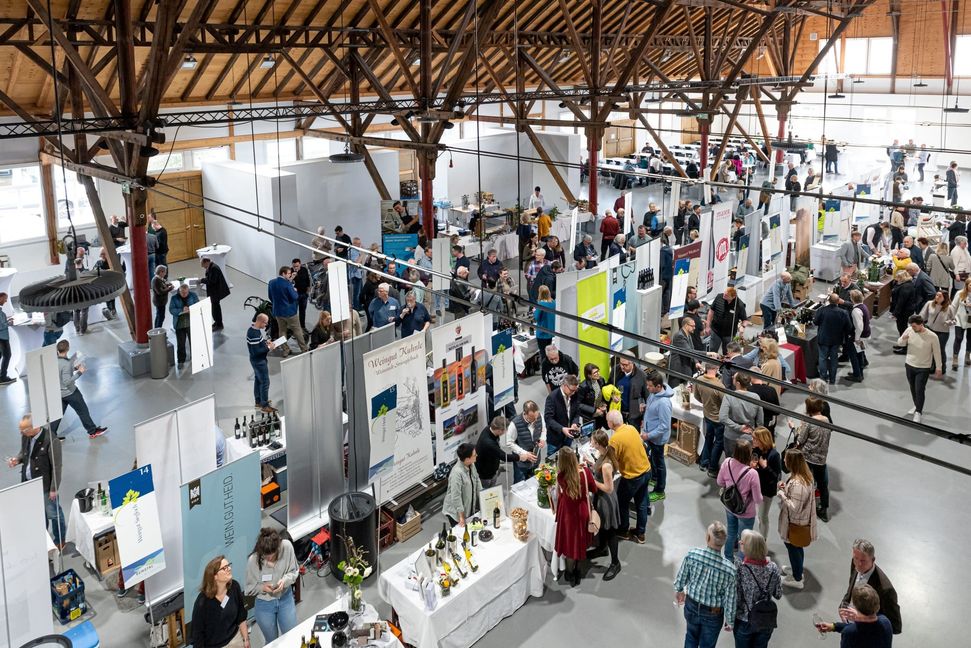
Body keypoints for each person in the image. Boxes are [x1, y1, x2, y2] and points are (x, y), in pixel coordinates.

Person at [673, 521, 737, 648]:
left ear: (708, 537)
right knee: (707, 644)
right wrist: (729, 620)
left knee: (691, 636)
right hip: (713, 614)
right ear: (724, 542)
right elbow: (730, 599)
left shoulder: (693, 555)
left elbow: (681, 578)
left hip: (691, 605)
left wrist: (679, 591)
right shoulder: (730, 570)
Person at [8, 414, 66, 548]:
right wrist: (17, 459)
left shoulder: (51, 440)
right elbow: (24, 453)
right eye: (20, 429)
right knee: (39, 514)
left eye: (24, 429)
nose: (21, 432)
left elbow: (57, 467)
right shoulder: (26, 436)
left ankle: (60, 540)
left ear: (35, 427)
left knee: (54, 514)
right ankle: (44, 542)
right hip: (29, 484)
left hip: (45, 486)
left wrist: (53, 489)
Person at [837, 539, 902, 635]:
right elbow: (851, 589)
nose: (858, 564)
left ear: (873, 560)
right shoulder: (856, 564)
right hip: (851, 627)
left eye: (863, 561)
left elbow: (895, 627)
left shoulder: (885, 590)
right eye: (855, 558)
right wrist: (842, 606)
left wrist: (862, 618)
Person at [605, 410, 651, 544]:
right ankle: (640, 533)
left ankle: (624, 530)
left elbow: (612, 462)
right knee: (641, 503)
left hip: (633, 477)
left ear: (611, 423)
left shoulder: (614, 439)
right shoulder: (631, 428)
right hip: (646, 470)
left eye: (607, 420)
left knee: (622, 502)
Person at [244, 528, 298, 643]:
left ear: (278, 547)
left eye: (273, 555)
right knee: (272, 641)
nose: (270, 559)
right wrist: (262, 588)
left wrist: (284, 581)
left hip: (285, 599)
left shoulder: (287, 547)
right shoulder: (253, 561)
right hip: (264, 605)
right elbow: (249, 589)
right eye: (266, 556)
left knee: (292, 635)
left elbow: (293, 572)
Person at [732, 529, 783, 646]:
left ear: (749, 548)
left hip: (745, 620)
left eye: (742, 542)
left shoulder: (741, 569)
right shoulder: (773, 568)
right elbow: (778, 594)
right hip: (766, 619)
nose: (739, 542)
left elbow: (736, 598)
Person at [553, 448, 595, 587]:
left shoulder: (561, 476)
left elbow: (561, 493)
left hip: (568, 513)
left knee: (571, 542)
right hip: (582, 511)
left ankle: (570, 573)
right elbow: (593, 489)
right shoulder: (585, 473)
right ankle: (578, 569)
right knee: (580, 540)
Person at [776, 448, 816, 590]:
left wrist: (782, 494)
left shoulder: (799, 484)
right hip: (798, 521)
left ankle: (797, 578)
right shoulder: (802, 476)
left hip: (795, 522)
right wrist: (784, 487)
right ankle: (796, 569)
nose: (784, 460)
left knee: (793, 547)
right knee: (796, 546)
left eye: (786, 458)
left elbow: (795, 507)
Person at [49, 340, 107, 439]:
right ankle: (93, 431)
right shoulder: (66, 363)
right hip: (70, 393)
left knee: (57, 415)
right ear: (68, 348)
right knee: (83, 411)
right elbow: (67, 381)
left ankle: (50, 436)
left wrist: (73, 369)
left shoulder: (55, 361)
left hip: (59, 393)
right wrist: (80, 372)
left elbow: (61, 373)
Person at [584, 430, 622, 581]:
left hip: (606, 500)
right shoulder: (604, 453)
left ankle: (615, 563)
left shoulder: (606, 465)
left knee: (610, 530)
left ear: (597, 444)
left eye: (592, 441)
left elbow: (609, 488)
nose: (590, 442)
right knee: (604, 528)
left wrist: (592, 482)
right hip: (601, 498)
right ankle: (602, 548)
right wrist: (591, 464)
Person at [717, 440, 763, 562]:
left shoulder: (726, 463)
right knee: (745, 540)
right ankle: (742, 565)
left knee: (731, 533)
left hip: (730, 506)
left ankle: (728, 558)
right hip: (746, 512)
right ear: (749, 453)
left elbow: (719, 482)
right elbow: (758, 499)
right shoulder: (752, 473)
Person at [190, 556, 250, 648]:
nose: (229, 569)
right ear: (215, 576)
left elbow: (241, 615)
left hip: (235, 639)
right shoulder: (202, 602)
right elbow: (198, 634)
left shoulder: (234, 587)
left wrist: (246, 639)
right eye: (224, 568)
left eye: (229, 565)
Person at [791, 397, 832, 522]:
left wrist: (793, 429)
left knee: (805, 482)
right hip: (821, 458)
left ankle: (804, 507)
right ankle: (823, 509)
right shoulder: (827, 421)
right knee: (822, 485)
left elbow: (800, 440)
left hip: (808, 458)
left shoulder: (809, 422)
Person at [897, 314, 942, 423]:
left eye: (914, 326)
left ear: (921, 325)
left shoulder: (932, 336)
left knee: (919, 389)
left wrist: (939, 367)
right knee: (912, 388)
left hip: (923, 367)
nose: (912, 328)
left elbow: (937, 352)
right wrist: (903, 338)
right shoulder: (909, 330)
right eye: (911, 326)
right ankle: (917, 405)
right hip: (909, 364)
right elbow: (900, 343)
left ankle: (918, 412)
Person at [817, 584, 894, 646]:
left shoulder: (849, 634)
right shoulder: (886, 622)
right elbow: (867, 628)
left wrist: (859, 619)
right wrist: (834, 626)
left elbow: (857, 630)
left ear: (855, 606)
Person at [643, 372, 673, 503]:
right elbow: (652, 409)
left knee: (660, 464)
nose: (647, 388)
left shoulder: (664, 403)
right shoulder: (654, 394)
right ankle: (654, 477)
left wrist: (647, 435)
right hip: (650, 436)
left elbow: (664, 427)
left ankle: (660, 491)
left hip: (657, 439)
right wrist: (645, 408)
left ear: (659, 386)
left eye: (650, 386)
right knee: (653, 460)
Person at [719, 373, 762, 458]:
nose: (732, 378)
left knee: (730, 462)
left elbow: (722, 418)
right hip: (748, 436)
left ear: (738, 383)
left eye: (734, 378)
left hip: (731, 436)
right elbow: (760, 421)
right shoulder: (756, 397)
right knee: (745, 461)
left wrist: (738, 427)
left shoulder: (729, 396)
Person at [750, 426, 782, 541]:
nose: (752, 441)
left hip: (766, 491)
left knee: (763, 516)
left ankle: (762, 540)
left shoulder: (774, 455)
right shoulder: (756, 450)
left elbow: (777, 476)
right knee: (758, 515)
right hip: (756, 486)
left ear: (762, 440)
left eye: (755, 439)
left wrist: (765, 466)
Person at [268, 267, 308, 356]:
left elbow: (270, 297)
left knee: (282, 331)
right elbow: (295, 297)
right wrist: (295, 290)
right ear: (283, 274)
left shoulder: (271, 282)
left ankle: (285, 349)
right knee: (297, 331)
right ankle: (304, 349)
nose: (290, 275)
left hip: (278, 312)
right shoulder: (287, 284)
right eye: (289, 273)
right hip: (290, 312)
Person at [694, 361, 725, 475]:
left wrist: (706, 403)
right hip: (718, 419)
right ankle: (712, 468)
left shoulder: (699, 380)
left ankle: (703, 463)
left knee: (708, 438)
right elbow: (725, 404)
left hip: (707, 415)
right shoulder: (719, 386)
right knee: (718, 443)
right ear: (716, 368)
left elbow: (696, 396)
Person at [814, 293, 852, 385]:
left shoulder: (821, 310)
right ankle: (832, 379)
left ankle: (823, 378)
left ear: (829, 300)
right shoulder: (843, 313)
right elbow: (849, 327)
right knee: (834, 359)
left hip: (823, 339)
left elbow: (815, 322)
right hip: (836, 340)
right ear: (838, 301)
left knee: (822, 358)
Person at [505, 400, 546, 483]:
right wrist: (524, 453)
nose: (535, 420)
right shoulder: (514, 424)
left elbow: (543, 429)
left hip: (535, 460)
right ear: (525, 414)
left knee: (534, 482)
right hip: (521, 464)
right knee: (520, 484)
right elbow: (509, 442)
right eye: (532, 418)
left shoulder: (539, 416)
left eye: (536, 417)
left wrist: (543, 438)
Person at [442, 443, 482, 527]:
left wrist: (483, 496)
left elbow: (477, 479)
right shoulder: (456, 473)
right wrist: (461, 516)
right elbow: (456, 496)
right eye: (474, 455)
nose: (477, 455)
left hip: (467, 506)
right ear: (467, 459)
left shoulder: (471, 464)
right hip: (456, 512)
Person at [544, 374, 580, 454]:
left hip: (569, 437)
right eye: (571, 390)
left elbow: (577, 413)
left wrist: (574, 423)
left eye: (575, 390)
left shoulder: (574, 394)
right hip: (555, 439)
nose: (573, 393)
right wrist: (562, 429)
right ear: (564, 385)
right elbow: (548, 419)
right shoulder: (552, 397)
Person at [610, 353, 649, 429]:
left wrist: (644, 418)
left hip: (635, 416)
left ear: (632, 363)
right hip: (619, 414)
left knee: (633, 438)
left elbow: (648, 398)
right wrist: (612, 395)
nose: (622, 367)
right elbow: (609, 386)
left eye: (625, 365)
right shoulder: (615, 370)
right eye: (621, 363)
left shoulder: (642, 376)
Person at [706, 287, 748, 355]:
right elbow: (711, 311)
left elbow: (745, 320)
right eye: (724, 293)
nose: (724, 295)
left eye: (726, 295)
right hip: (716, 331)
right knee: (712, 350)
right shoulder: (719, 297)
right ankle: (711, 365)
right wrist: (707, 326)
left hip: (729, 334)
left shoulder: (739, 305)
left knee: (727, 353)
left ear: (733, 297)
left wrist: (742, 327)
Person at [247, 314, 276, 413]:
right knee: (265, 382)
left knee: (258, 380)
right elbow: (256, 351)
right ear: (260, 321)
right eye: (265, 323)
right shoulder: (254, 334)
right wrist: (269, 348)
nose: (266, 325)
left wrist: (265, 342)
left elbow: (257, 344)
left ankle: (258, 401)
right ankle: (265, 405)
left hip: (256, 361)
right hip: (259, 362)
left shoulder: (253, 330)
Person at [920, 291, 952, 374]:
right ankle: (932, 366)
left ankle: (942, 367)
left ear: (944, 298)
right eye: (937, 295)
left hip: (943, 332)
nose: (937, 297)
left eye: (940, 296)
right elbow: (922, 315)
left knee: (940, 350)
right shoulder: (929, 304)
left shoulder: (949, 308)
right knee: (930, 349)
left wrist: (949, 322)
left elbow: (954, 320)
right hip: (930, 330)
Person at [169, 283, 199, 365]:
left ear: (188, 291)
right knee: (181, 343)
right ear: (179, 291)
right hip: (179, 324)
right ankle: (181, 361)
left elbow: (198, 305)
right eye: (182, 293)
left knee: (193, 342)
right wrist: (181, 310)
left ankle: (195, 358)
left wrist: (191, 309)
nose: (184, 294)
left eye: (186, 293)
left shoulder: (193, 295)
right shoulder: (174, 298)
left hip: (191, 323)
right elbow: (171, 310)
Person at [200, 257, 230, 331]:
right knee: (214, 308)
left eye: (203, 265)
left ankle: (219, 324)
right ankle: (217, 322)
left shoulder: (214, 268)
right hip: (213, 292)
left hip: (216, 292)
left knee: (216, 308)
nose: (203, 267)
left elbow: (212, 281)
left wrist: (201, 280)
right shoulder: (211, 267)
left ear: (206, 262)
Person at [668, 317, 699, 388]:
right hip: (676, 369)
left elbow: (692, 349)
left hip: (685, 367)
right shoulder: (679, 336)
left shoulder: (688, 335)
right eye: (692, 326)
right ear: (686, 325)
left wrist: (696, 362)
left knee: (684, 390)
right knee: (674, 391)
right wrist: (707, 353)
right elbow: (689, 351)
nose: (694, 328)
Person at [576, 362, 607, 429]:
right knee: (591, 435)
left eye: (598, 371)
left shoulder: (601, 380)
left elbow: (603, 394)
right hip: (590, 416)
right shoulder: (583, 387)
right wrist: (594, 410)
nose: (598, 373)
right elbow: (578, 404)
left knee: (599, 433)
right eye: (595, 372)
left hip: (601, 413)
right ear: (589, 375)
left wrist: (604, 404)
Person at [890, 270, 919, 337]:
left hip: (904, 311)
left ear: (902, 278)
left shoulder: (906, 287)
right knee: (901, 327)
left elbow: (901, 301)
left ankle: (904, 344)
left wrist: (895, 313)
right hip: (904, 310)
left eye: (898, 277)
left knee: (902, 327)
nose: (896, 279)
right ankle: (903, 342)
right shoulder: (905, 284)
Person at [950, 278, 971, 369]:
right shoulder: (960, 293)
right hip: (959, 318)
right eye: (970, 285)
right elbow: (953, 306)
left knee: (970, 339)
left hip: (970, 320)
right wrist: (952, 317)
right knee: (958, 338)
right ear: (966, 285)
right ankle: (955, 358)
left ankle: (967, 355)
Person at [290, 258, 311, 332]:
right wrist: (292, 277)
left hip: (304, 294)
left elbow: (308, 280)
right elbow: (288, 283)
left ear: (300, 264)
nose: (295, 268)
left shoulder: (304, 270)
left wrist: (308, 289)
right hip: (295, 295)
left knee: (302, 311)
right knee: (294, 312)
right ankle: (294, 329)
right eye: (294, 266)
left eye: (297, 266)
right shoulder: (290, 272)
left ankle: (302, 327)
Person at [151, 265, 173, 329]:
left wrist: (168, 285)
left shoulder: (159, 279)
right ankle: (158, 330)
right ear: (161, 272)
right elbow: (160, 292)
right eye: (164, 272)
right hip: (159, 302)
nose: (165, 274)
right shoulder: (156, 280)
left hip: (161, 302)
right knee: (160, 317)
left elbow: (162, 285)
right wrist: (170, 288)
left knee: (159, 316)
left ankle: (157, 328)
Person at [0, 293, 12, 385]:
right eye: (5, 299)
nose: (6, 301)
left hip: (2, 337)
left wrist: (6, 320)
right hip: (2, 337)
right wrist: (8, 323)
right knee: (7, 355)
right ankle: (3, 377)